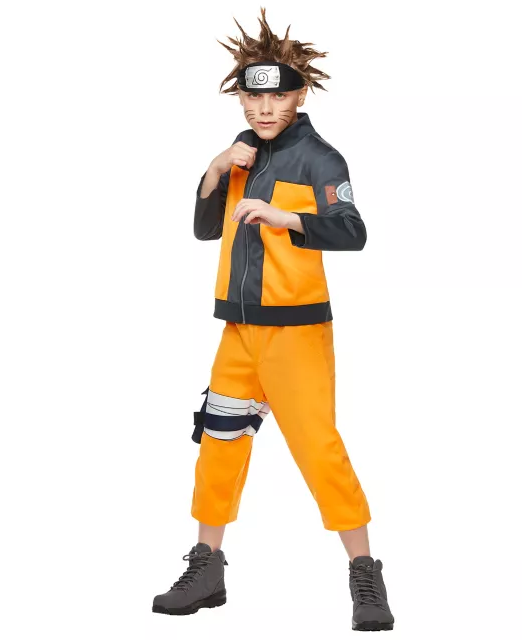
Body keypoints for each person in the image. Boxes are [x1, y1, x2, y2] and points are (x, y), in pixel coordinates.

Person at [152, 8, 394, 632]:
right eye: (253, 97)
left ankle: (364, 572)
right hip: (237, 332)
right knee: (219, 445)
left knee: (318, 450)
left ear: (299, 94)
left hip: (297, 333)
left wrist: (288, 219)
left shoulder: (320, 159)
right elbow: (206, 230)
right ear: (240, 97)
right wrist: (213, 171)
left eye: (278, 96)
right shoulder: (238, 154)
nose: (264, 109)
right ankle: (207, 566)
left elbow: (353, 231)